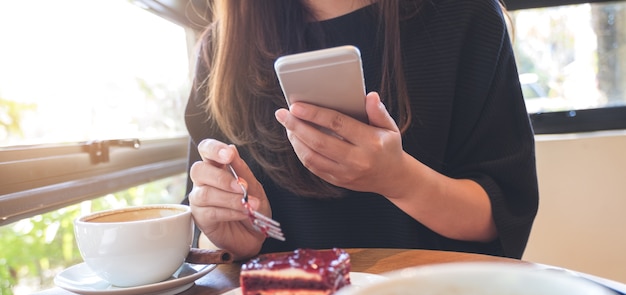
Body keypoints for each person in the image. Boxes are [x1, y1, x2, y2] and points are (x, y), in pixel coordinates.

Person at [185, 0, 539, 261]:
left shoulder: (466, 15)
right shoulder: (222, 51)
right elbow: (206, 219)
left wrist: (400, 180)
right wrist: (230, 238)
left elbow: (502, 213)